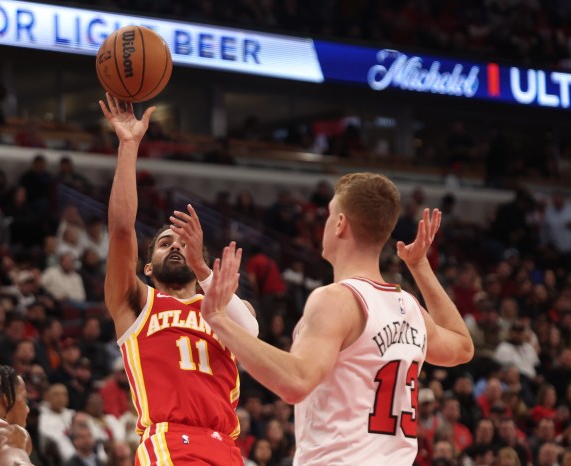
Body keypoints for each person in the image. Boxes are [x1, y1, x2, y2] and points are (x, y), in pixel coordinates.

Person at [201, 172, 474, 465]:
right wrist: (419, 266)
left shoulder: (336, 299)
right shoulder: (409, 307)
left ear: (341, 223)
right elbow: (462, 346)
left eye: (330, 214)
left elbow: (296, 381)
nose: (326, 223)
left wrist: (219, 319)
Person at [99, 93, 259, 465]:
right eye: (163, 243)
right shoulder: (136, 302)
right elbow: (122, 229)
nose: (174, 246)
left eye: (182, 242)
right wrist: (128, 146)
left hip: (227, 447)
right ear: (148, 268)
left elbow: (252, 337)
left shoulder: (223, 308)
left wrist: (206, 273)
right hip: (172, 442)